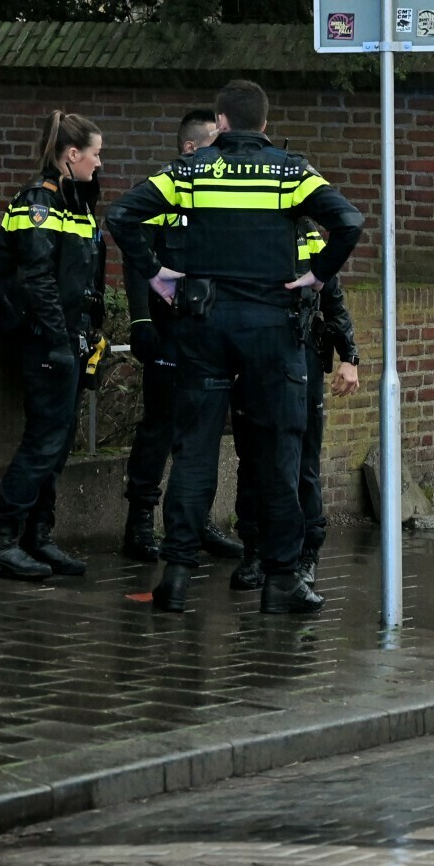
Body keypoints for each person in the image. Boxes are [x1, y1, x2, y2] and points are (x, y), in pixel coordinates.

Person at [109, 80, 363, 614]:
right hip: (273, 331)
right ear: (265, 125)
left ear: (220, 121)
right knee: (278, 453)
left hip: (203, 328)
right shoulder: (291, 171)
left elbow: (122, 216)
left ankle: (176, 576)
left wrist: (156, 274)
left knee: (195, 449)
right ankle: (281, 580)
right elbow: (348, 221)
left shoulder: (191, 169)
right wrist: (316, 276)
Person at [0, 111, 107, 581]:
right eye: (95, 154)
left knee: (56, 446)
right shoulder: (38, 201)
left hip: (68, 341)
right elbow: (37, 281)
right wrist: (57, 341)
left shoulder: (78, 204)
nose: (99, 163)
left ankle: (39, 536)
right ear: (72, 154)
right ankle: (1, 543)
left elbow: (83, 279)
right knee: (42, 443)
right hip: (43, 343)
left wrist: (90, 331)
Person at [121, 110, 245, 564]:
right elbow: (137, 260)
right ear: (192, 147)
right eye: (215, 141)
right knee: (161, 426)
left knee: (204, 429)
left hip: (208, 333)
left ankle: (198, 520)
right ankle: (139, 522)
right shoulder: (162, 189)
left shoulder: (217, 189)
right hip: (168, 332)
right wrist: (141, 323)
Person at [229, 221, 361, 591]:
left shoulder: (308, 234)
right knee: (253, 456)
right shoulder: (246, 229)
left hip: (302, 354)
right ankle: (254, 550)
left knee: (304, 460)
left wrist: (349, 356)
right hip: (254, 356)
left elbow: (331, 294)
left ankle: (306, 555)